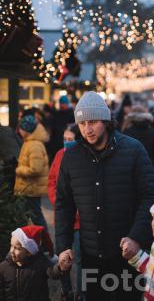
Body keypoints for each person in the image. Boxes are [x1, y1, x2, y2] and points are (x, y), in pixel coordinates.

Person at [55, 91, 154, 301]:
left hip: (128, 253)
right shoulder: (71, 157)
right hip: (91, 254)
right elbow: (64, 204)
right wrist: (64, 247)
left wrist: (137, 237)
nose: (87, 129)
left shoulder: (133, 149)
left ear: (105, 120)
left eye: (92, 122)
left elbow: (149, 197)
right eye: (82, 123)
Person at [48, 123, 82, 301]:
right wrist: (59, 203)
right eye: (65, 139)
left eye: (71, 140)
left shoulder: (84, 157)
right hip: (63, 217)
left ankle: (81, 293)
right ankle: (65, 289)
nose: (67, 142)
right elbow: (52, 181)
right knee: (62, 255)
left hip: (81, 219)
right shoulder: (60, 155)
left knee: (80, 259)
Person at [0, 225, 71, 301]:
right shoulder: (4, 267)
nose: (11, 251)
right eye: (11, 246)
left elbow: (53, 273)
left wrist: (60, 267)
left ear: (29, 252)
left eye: (17, 248)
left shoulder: (40, 262)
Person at [14, 115, 49, 231]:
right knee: (32, 216)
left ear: (26, 130)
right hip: (29, 188)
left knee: (36, 216)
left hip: (31, 189)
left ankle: (46, 243)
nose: (19, 130)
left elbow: (36, 169)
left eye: (21, 128)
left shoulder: (34, 145)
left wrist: (19, 170)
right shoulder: (30, 142)